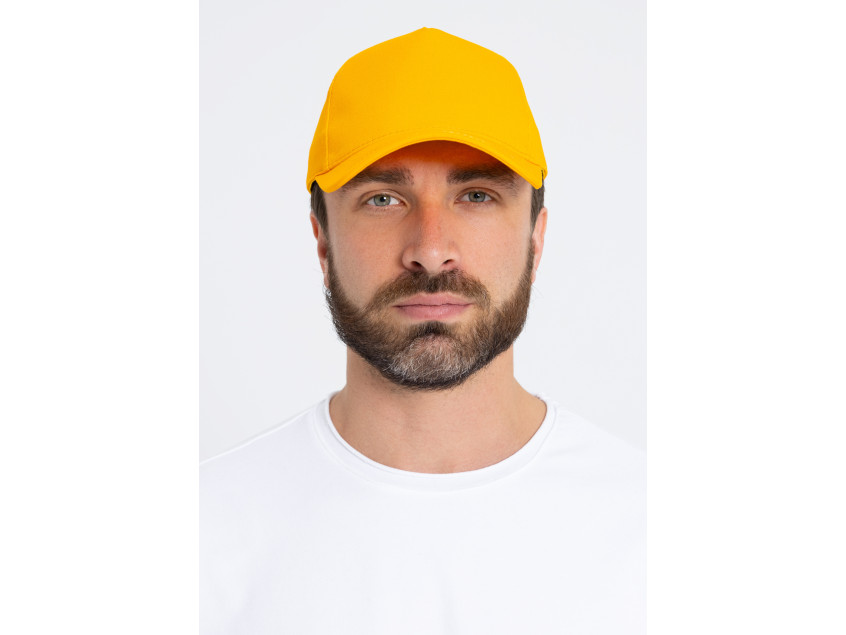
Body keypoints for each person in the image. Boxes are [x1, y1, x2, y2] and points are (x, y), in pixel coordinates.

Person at [201, 28, 644, 634]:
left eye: (477, 195)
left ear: (535, 239)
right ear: (323, 242)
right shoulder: (205, 534)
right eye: (383, 199)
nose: (431, 250)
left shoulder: (649, 532)